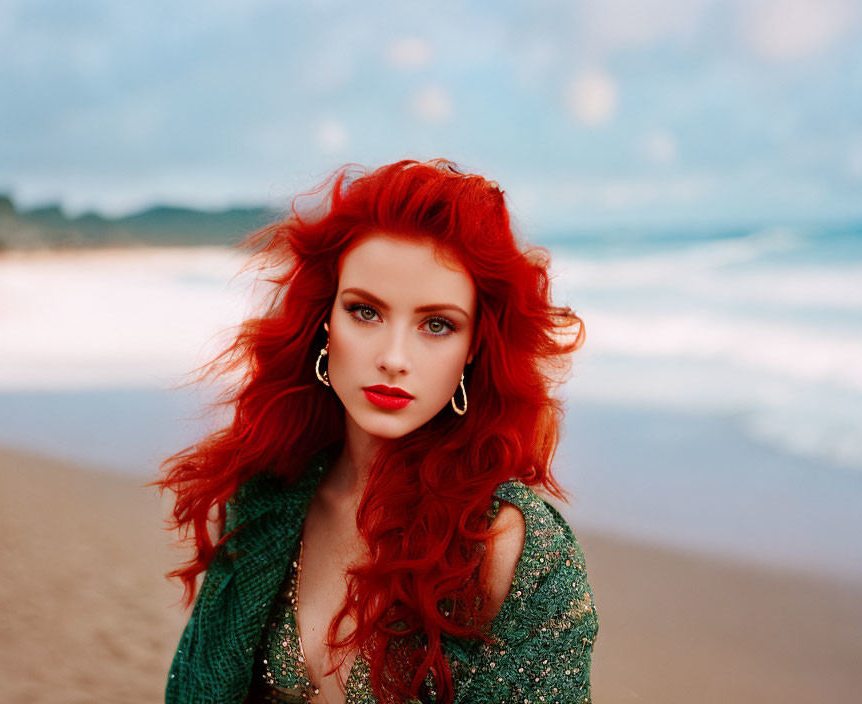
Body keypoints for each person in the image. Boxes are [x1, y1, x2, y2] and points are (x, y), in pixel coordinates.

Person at [151, 159, 598, 704]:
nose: (393, 358)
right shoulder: (265, 495)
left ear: (474, 347)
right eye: (365, 312)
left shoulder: (511, 546)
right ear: (325, 320)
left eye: (437, 324)